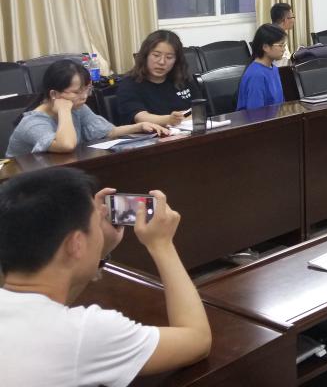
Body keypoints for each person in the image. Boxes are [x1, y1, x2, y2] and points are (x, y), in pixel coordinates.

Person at [0, 168, 212, 385]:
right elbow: (198, 340)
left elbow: (47, 306)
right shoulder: (88, 334)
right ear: (76, 244)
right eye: (96, 224)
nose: (100, 228)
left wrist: (96, 252)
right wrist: (162, 245)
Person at [7, 61, 169, 157]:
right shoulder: (33, 123)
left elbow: (107, 132)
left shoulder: (78, 107)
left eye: (87, 90)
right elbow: (66, 145)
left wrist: (139, 127)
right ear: (54, 94)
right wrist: (63, 111)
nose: (84, 96)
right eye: (77, 92)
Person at [117, 30, 194, 127]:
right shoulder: (129, 84)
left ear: (176, 60)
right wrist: (169, 120)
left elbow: (200, 109)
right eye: (156, 55)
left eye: (169, 57)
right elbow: (139, 117)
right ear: (145, 55)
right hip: (150, 135)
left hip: (186, 132)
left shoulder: (182, 79)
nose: (162, 62)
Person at [236, 24, 287, 111]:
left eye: (284, 45)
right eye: (280, 45)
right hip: (259, 119)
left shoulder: (274, 69)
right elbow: (256, 114)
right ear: (265, 47)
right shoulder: (256, 75)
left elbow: (280, 105)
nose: (284, 49)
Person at [270, 3, 296, 67]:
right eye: (292, 17)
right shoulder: (277, 38)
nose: (293, 20)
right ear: (285, 20)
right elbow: (281, 66)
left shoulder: (272, 32)